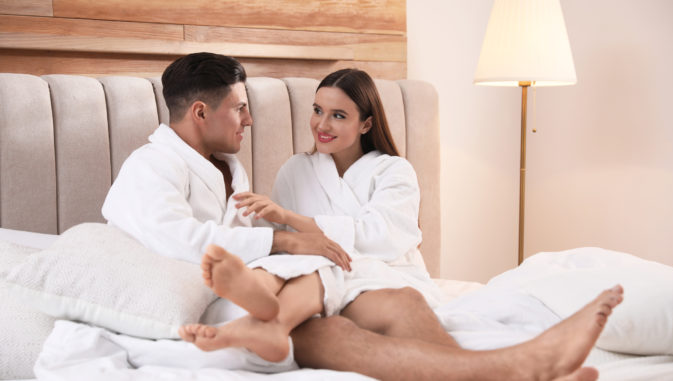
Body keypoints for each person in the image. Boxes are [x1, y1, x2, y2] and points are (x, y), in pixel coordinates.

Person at [102, 53, 623, 381]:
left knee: (384, 301)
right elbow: (186, 241)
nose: (249, 118)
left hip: (308, 286)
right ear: (200, 113)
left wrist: (292, 239)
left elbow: (307, 238)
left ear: (366, 122)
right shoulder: (151, 168)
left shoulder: (231, 171)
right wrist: (287, 243)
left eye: (340, 115)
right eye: (239, 107)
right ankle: (510, 370)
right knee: (332, 322)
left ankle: (510, 370)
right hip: (206, 298)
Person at [178, 68, 443, 362]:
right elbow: (277, 239)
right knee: (299, 257)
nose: (322, 124)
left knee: (322, 257)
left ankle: (268, 323)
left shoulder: (393, 170)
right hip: (316, 285)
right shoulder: (297, 169)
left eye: (338, 115)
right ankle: (258, 304)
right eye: (318, 110)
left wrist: (291, 219)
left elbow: (381, 237)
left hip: (390, 278)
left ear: (366, 124)